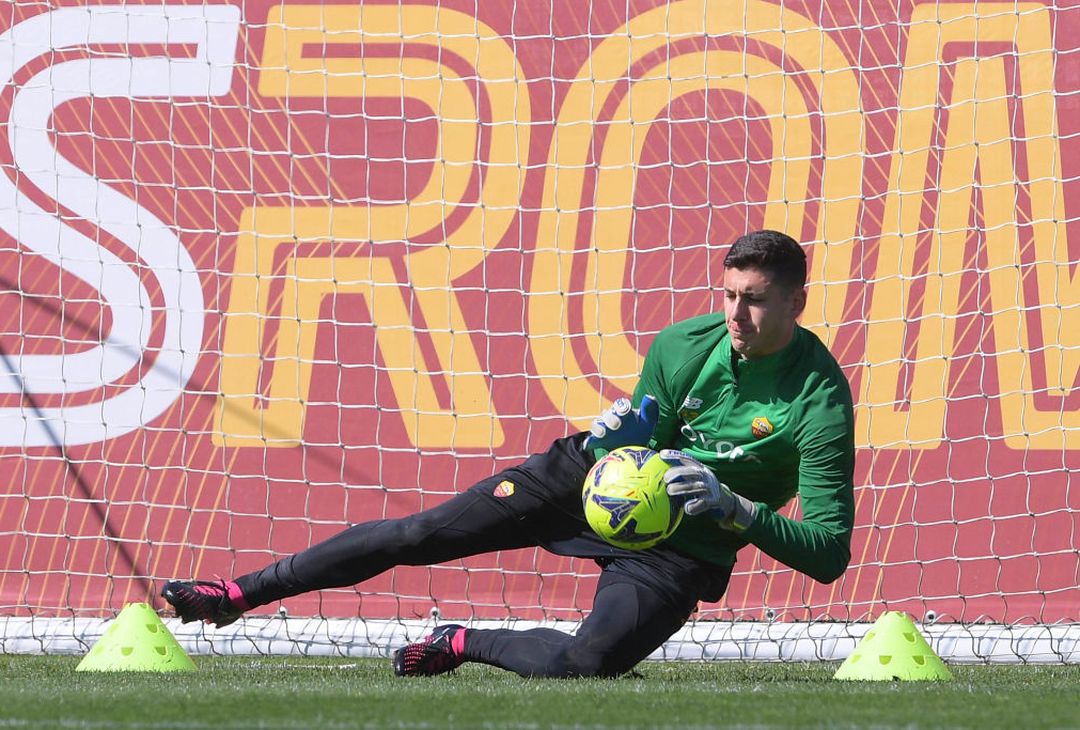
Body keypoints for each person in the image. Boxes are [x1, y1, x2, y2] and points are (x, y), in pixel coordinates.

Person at [162, 229, 855, 678]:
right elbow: (648, 436)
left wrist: (736, 509)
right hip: (594, 478)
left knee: (588, 665)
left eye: (756, 302)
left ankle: (465, 642)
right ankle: (237, 594)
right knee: (420, 532)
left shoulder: (819, 402)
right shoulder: (683, 344)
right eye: (729, 295)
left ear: (796, 301)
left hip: (687, 544)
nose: (736, 315)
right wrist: (621, 438)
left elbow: (827, 554)